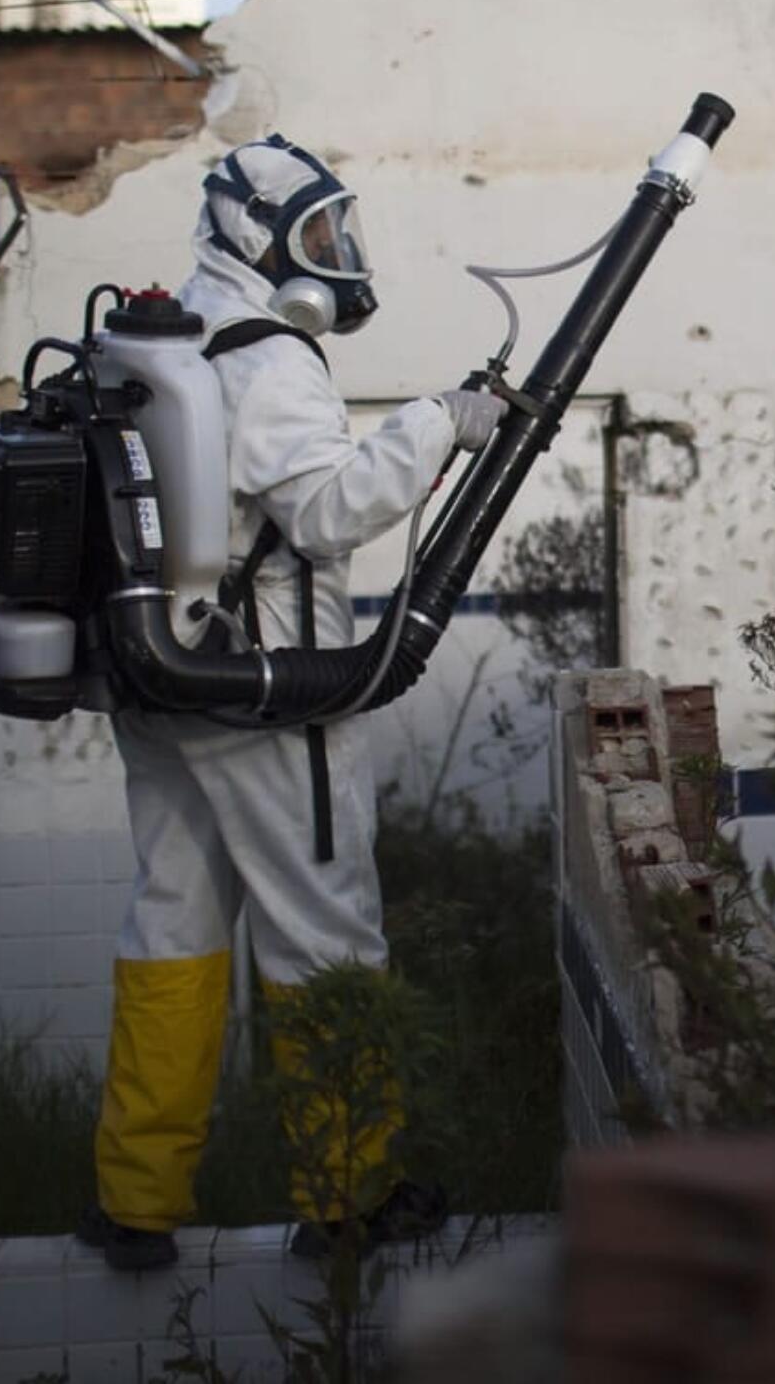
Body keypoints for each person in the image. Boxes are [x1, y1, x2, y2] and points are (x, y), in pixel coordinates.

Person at [79, 134, 505, 1271]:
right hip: (269, 691)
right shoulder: (266, 358)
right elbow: (324, 513)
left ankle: (135, 1199)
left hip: (166, 677)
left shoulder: (163, 340)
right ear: (250, 237)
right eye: (317, 234)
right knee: (323, 928)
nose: (335, 253)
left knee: (170, 918)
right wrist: (439, 422)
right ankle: (348, 1192)